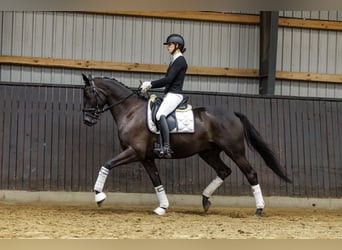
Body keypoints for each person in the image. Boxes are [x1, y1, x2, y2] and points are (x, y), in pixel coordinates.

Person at [140, 33, 188, 158]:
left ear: (177, 46)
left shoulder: (180, 60)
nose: (168, 47)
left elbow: (168, 79)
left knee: (160, 114)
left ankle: (166, 147)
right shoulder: (175, 60)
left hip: (175, 94)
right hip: (169, 94)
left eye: (170, 44)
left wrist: (150, 84)